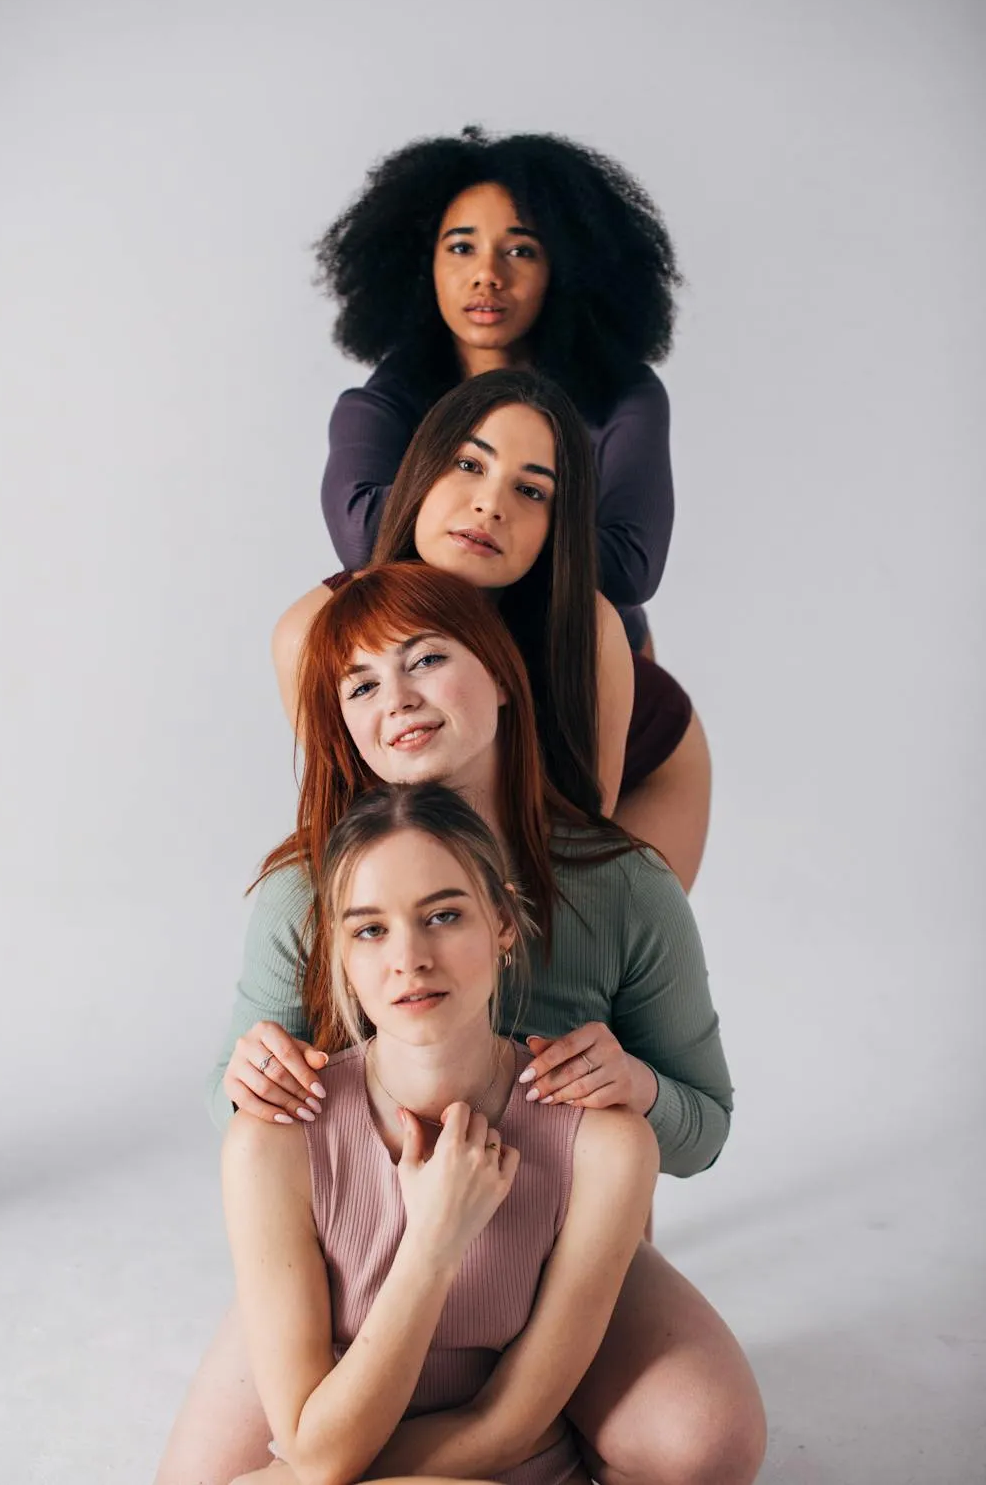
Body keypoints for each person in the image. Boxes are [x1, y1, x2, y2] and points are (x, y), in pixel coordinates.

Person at [156, 564, 764, 1485]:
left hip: (557, 1224)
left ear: (500, 674)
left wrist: (637, 1089)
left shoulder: (623, 886)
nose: (396, 700)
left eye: (427, 660)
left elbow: (702, 1127)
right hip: (362, 1236)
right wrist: (247, 1076)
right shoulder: (302, 890)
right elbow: (246, 1120)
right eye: (360, 685)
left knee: (702, 1443)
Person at [279, 128, 711, 884]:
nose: (488, 275)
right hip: (441, 674)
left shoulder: (624, 394)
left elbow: (633, 562)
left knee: (593, 952)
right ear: (421, 263)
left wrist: (465, 535)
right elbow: (362, 542)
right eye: (460, 248)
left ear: (564, 268)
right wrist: (538, 531)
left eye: (520, 250)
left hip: (594, 692)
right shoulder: (378, 403)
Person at [222, 780, 658, 1485]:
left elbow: (505, 1427)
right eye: (370, 929)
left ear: (504, 924)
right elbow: (307, 1443)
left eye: (444, 916)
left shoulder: (605, 1145)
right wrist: (431, 1243)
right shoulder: (272, 1142)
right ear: (339, 953)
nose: (410, 958)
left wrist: (313, 1469)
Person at [275, 369, 705, 888]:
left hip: (651, 762)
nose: (490, 505)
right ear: (420, 471)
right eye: (468, 463)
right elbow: (352, 822)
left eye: (530, 490)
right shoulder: (312, 631)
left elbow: (570, 848)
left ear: (555, 526)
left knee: (586, 927)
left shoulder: (589, 626)